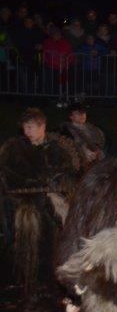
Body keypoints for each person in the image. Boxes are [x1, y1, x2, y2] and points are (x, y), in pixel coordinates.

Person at [0, 108, 80, 290]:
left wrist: (53, 186)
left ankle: (51, 275)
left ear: (42, 126)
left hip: (49, 200)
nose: (27, 131)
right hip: (20, 200)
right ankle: (20, 276)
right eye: (25, 127)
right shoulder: (13, 148)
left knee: (53, 225)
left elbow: (67, 176)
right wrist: (31, 186)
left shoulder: (57, 150)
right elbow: (7, 175)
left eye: (31, 127)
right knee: (23, 225)